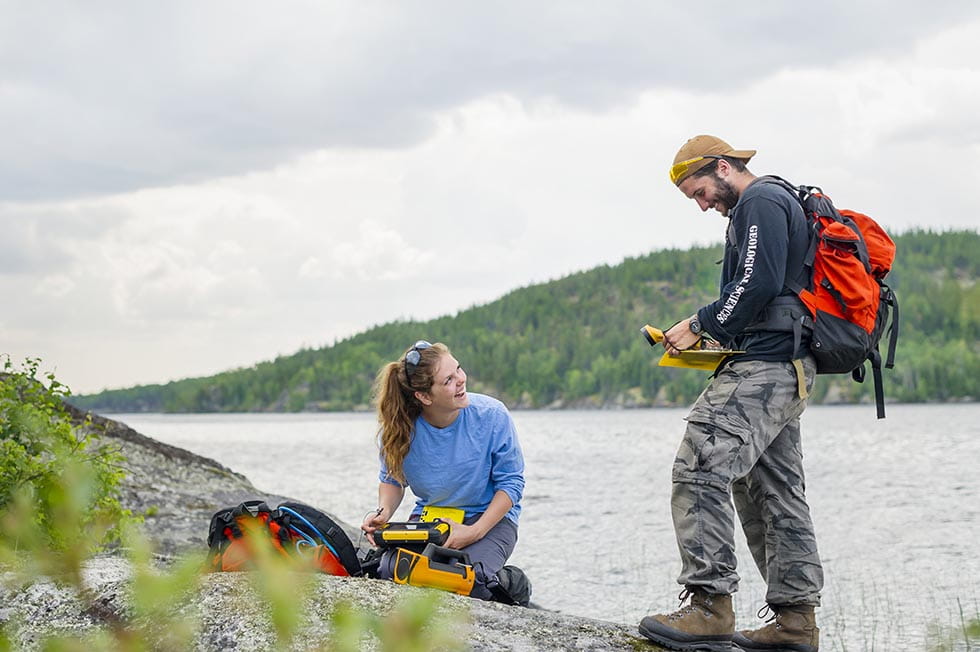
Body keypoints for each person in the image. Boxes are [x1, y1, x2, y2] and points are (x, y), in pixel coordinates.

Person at [638, 135, 822, 652]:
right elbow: (763, 289)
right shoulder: (774, 202)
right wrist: (719, 329)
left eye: (701, 191)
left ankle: (708, 607)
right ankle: (795, 622)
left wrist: (701, 322)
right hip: (788, 365)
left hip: (767, 366)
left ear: (724, 167)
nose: (703, 204)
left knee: (699, 468)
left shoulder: (760, 199)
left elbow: (755, 283)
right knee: (774, 492)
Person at [361, 340, 527, 603]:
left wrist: (474, 532)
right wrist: (382, 514)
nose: (461, 380)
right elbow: (393, 480)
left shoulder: (493, 415)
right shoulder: (398, 429)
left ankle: (511, 583)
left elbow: (512, 484)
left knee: (470, 584)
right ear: (424, 397)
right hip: (432, 520)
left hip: (489, 518)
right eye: (449, 379)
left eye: (458, 369)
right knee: (389, 573)